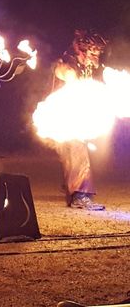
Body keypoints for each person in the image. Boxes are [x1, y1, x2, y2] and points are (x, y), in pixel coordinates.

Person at [52, 30, 107, 211]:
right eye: (92, 53)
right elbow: (65, 78)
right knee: (78, 151)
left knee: (74, 154)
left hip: (70, 116)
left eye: (98, 53)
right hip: (65, 117)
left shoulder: (83, 66)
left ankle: (74, 191)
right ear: (81, 51)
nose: (95, 57)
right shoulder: (68, 66)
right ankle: (80, 196)